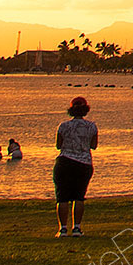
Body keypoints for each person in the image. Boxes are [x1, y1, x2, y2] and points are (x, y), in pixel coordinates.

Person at [54, 96, 98, 237]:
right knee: (79, 197)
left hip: (64, 162)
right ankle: (77, 228)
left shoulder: (63, 126)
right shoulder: (92, 127)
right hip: (84, 163)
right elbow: (93, 145)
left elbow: (58, 145)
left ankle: (63, 229)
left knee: (62, 197)